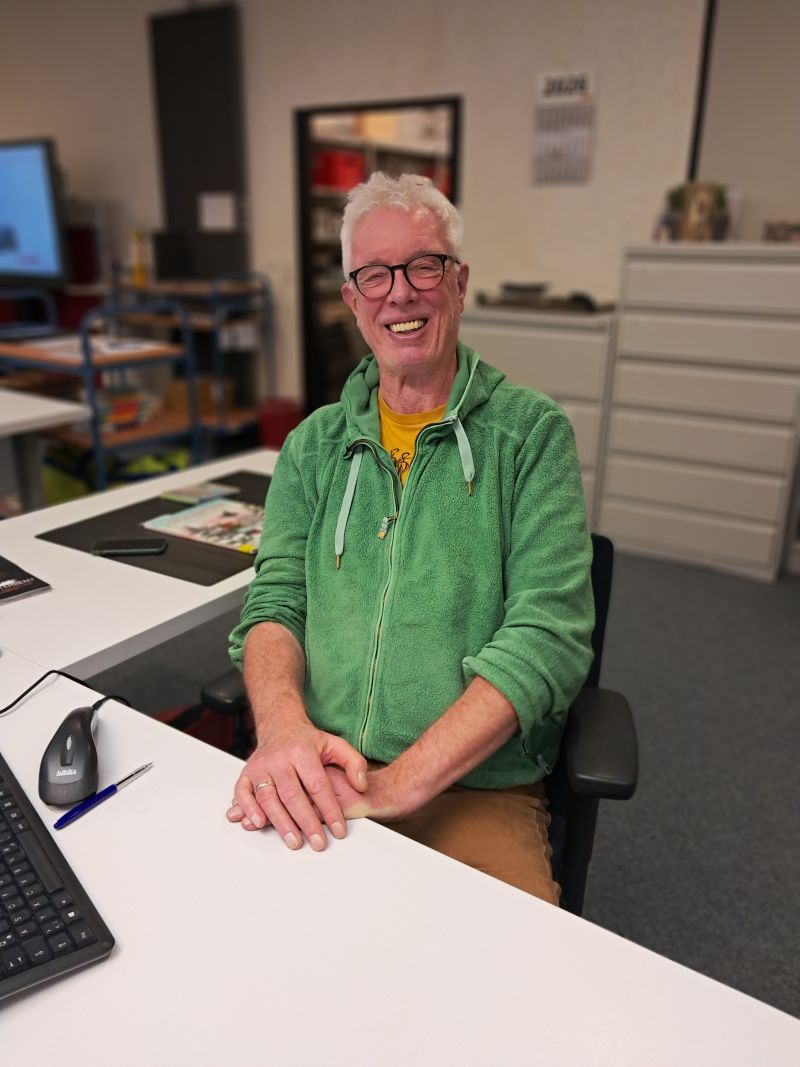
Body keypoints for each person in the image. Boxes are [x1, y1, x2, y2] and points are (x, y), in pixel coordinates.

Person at [226, 172, 594, 902]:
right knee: (245, 932)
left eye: (423, 265)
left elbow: (549, 635)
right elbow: (275, 603)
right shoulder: (313, 445)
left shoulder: (530, 435)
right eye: (374, 274)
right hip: (322, 763)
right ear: (352, 299)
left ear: (459, 283)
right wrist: (283, 728)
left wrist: (399, 784)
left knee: (501, 962)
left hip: (474, 785)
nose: (399, 293)